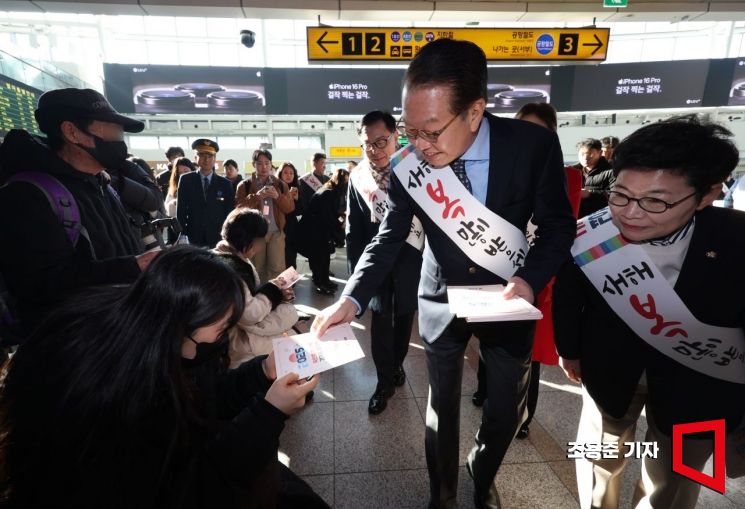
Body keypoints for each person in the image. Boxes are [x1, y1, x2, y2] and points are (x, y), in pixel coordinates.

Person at [312, 39, 575, 509]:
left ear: (475, 112)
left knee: (501, 416)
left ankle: (481, 468)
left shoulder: (532, 146)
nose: (419, 145)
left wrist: (530, 279)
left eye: (431, 131)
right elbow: (389, 237)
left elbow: (557, 227)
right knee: (440, 409)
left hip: (508, 298)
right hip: (440, 296)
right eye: (410, 131)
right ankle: (443, 495)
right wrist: (349, 300)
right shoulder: (411, 165)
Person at [0, 246, 325, 508]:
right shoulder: (120, 399)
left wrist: (262, 372)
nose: (225, 338)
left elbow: (202, 397)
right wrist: (269, 414)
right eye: (221, 330)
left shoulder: (150, 340)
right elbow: (200, 487)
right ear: (179, 326)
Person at [553, 116, 745, 509]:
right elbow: (569, 295)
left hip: (701, 385)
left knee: (676, 483)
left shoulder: (737, 238)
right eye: (620, 194)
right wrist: (569, 350)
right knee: (597, 461)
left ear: (707, 194)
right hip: (608, 368)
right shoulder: (593, 232)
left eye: (655, 200)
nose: (630, 213)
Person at [0, 87, 157, 341]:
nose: (119, 137)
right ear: (72, 132)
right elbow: (41, 283)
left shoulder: (102, 184)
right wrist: (133, 267)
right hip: (75, 354)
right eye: (109, 127)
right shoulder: (28, 194)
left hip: (118, 336)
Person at [471, 103, 582, 443]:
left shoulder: (567, 177)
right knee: (489, 341)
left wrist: (537, 276)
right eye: (522, 131)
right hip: (495, 270)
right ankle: (486, 390)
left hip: (537, 278)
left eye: (538, 133)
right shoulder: (500, 169)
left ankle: (522, 414)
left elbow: (561, 230)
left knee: (527, 355)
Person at [346, 110, 423, 415]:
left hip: (410, 258)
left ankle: (397, 366)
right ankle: (383, 383)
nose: (374, 151)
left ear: (395, 137)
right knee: (380, 323)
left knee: (404, 319)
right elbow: (353, 230)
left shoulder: (416, 169)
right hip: (375, 262)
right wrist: (356, 279)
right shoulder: (358, 177)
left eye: (381, 142)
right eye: (367, 145)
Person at [212, 208, 299, 369]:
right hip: (236, 339)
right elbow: (250, 314)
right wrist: (273, 291)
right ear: (248, 241)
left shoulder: (227, 256)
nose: (262, 245)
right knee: (292, 340)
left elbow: (248, 298)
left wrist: (276, 292)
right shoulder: (232, 270)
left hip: (234, 332)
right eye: (260, 241)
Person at [235, 149, 295, 282]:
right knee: (257, 269)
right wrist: (256, 197)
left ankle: (275, 297)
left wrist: (277, 197)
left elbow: (290, 208)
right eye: (260, 163)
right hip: (255, 234)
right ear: (254, 165)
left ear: (271, 165)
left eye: (267, 163)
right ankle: (259, 298)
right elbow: (238, 209)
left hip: (276, 233)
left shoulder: (280, 184)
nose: (264, 167)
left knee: (277, 268)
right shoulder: (245, 185)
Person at [298, 168, 349, 295]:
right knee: (319, 258)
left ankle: (325, 280)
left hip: (319, 230)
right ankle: (320, 283)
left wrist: (340, 218)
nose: (346, 186)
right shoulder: (328, 193)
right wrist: (340, 224)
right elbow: (327, 216)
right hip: (315, 231)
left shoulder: (328, 190)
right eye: (345, 182)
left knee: (324, 257)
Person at [176, 139, 234, 247]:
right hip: (193, 234)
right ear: (195, 158)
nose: (206, 159)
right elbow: (181, 210)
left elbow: (229, 212)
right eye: (202, 155)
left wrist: (229, 235)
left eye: (210, 156)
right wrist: (182, 233)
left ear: (215, 159)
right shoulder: (186, 180)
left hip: (218, 235)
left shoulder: (225, 183)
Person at [575, 138, 615, 218]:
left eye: (590, 153)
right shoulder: (573, 171)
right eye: (582, 154)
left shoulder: (611, 172)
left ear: (600, 153)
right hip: (576, 219)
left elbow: (616, 196)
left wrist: (590, 194)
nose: (585, 157)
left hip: (600, 220)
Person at [164, 157, 196, 243]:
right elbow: (167, 211)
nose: (183, 175)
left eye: (186, 171)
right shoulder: (173, 189)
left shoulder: (200, 186)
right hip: (177, 233)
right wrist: (174, 204)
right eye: (179, 173)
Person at [277, 162, 301, 269]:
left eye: (291, 173)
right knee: (279, 256)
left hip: (292, 226)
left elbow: (301, 211)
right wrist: (288, 198)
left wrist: (296, 200)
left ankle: (291, 281)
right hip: (278, 225)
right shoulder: (276, 188)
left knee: (291, 255)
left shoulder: (297, 188)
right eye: (285, 173)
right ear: (280, 174)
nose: (289, 175)